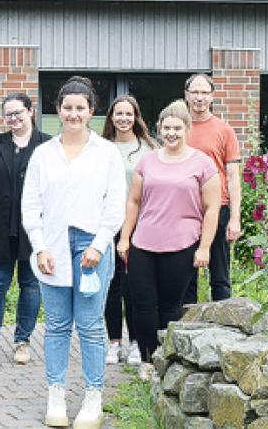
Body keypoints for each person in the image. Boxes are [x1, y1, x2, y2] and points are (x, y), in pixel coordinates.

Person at [22, 76, 126, 428]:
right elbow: (30, 206)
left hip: (91, 248)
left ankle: (93, 397)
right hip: (52, 246)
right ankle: (56, 394)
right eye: (67, 108)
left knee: (91, 326)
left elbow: (115, 205)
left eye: (80, 108)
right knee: (56, 325)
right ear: (58, 111)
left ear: (92, 112)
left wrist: (99, 246)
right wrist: (39, 248)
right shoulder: (42, 154)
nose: (73, 114)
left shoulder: (106, 153)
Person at [117, 100, 221, 381]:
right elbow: (134, 202)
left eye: (177, 128)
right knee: (142, 304)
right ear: (159, 129)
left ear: (186, 129)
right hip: (143, 244)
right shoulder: (147, 160)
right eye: (167, 128)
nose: (172, 133)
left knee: (170, 306)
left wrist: (204, 247)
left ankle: (169, 360)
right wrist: (125, 238)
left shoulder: (203, 163)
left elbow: (212, 208)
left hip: (182, 245)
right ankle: (149, 360)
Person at [0, 93, 49, 365]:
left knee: (30, 286)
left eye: (19, 113)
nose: (14, 119)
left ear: (30, 111)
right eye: (9, 115)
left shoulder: (47, 145)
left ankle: (22, 342)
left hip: (35, 230)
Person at [100, 95, 157, 366]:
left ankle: (136, 342)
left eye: (129, 114)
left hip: (140, 225)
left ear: (136, 117)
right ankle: (114, 343)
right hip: (108, 224)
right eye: (118, 113)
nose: (123, 118)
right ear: (111, 117)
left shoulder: (148, 149)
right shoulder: (101, 147)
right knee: (111, 285)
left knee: (135, 286)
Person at [182, 73, 242, 304]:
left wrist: (235, 218)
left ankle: (223, 331)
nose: (199, 97)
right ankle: (185, 329)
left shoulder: (224, 130)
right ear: (186, 95)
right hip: (185, 211)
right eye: (194, 92)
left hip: (218, 209)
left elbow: (233, 177)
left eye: (204, 92)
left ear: (212, 97)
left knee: (220, 277)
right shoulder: (177, 129)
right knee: (186, 276)